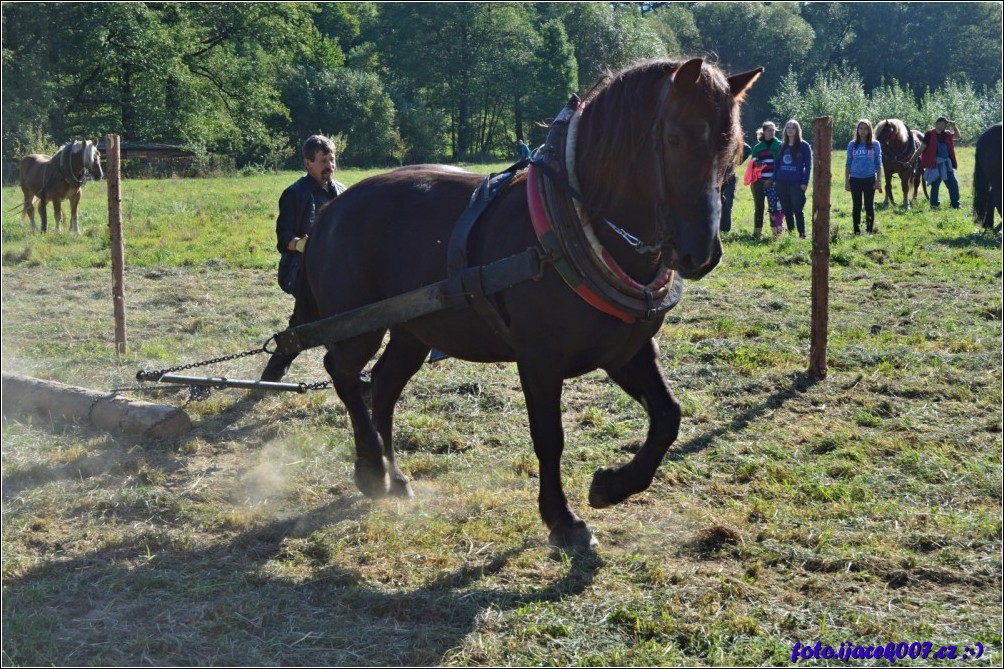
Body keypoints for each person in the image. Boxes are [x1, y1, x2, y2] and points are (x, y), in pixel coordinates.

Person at [260, 135, 346, 383]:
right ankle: (350, 374)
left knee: (307, 323)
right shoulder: (295, 194)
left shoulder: (341, 192)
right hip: (303, 272)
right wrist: (303, 245)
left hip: (333, 272)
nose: (329, 166)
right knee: (321, 323)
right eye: (323, 161)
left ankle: (269, 378)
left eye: (332, 160)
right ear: (308, 164)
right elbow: (283, 237)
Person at [773, 119, 812, 239]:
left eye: (793, 128)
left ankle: (802, 235)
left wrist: (805, 182)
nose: (790, 130)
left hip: (797, 183)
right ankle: (791, 235)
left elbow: (808, 166)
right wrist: (775, 179)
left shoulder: (804, 145)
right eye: (788, 127)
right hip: (781, 182)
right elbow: (777, 164)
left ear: (797, 130)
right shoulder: (781, 145)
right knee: (786, 210)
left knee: (797, 209)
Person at [844, 120, 883, 235]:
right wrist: (847, 181)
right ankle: (856, 230)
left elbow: (878, 163)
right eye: (860, 128)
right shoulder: (852, 144)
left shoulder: (875, 144)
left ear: (869, 130)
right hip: (855, 179)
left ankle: (869, 230)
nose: (863, 131)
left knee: (869, 205)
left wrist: (878, 180)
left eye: (865, 129)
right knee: (856, 205)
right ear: (857, 130)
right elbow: (848, 163)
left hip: (869, 179)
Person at [916, 116, 962, 209]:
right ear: (937, 124)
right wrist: (912, 160)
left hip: (946, 164)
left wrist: (954, 126)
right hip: (935, 164)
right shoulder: (929, 134)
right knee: (935, 185)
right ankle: (934, 205)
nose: (945, 126)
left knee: (953, 184)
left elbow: (958, 136)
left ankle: (955, 204)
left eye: (945, 124)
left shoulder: (947, 134)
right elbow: (921, 149)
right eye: (943, 124)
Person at [749, 121, 782, 239]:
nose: (772, 132)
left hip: (773, 182)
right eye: (769, 130)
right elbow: (751, 164)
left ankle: (776, 233)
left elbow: (780, 165)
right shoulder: (758, 147)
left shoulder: (779, 145)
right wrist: (756, 162)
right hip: (758, 182)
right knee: (759, 208)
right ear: (764, 132)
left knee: (774, 208)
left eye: (773, 130)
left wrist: (772, 180)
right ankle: (757, 233)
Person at [720, 140, 751, 234]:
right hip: (712, 176)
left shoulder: (730, 138)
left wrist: (735, 163)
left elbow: (747, 149)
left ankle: (724, 230)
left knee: (727, 203)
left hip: (728, 177)